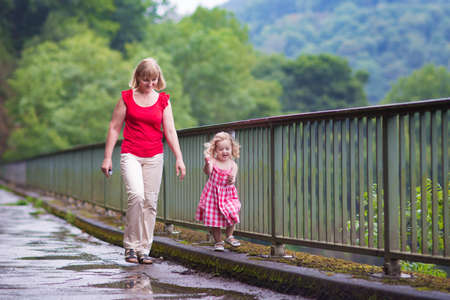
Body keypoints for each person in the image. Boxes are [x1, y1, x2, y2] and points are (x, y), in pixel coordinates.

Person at [101, 57, 186, 264]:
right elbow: (114, 127)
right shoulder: (126, 98)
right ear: (138, 78)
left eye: (154, 80)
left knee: (150, 202)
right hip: (131, 153)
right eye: (146, 80)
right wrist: (107, 157)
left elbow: (170, 131)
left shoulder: (163, 100)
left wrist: (179, 158)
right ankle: (130, 246)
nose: (150, 84)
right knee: (137, 197)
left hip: (155, 155)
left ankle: (143, 250)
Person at [195, 131, 241, 251]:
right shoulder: (213, 162)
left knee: (233, 211)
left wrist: (232, 178)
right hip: (213, 194)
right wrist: (207, 163)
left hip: (228, 193)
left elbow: (233, 177)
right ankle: (218, 241)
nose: (224, 152)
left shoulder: (233, 164)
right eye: (221, 149)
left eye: (227, 149)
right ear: (215, 150)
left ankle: (230, 236)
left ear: (232, 149)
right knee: (214, 218)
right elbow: (208, 171)